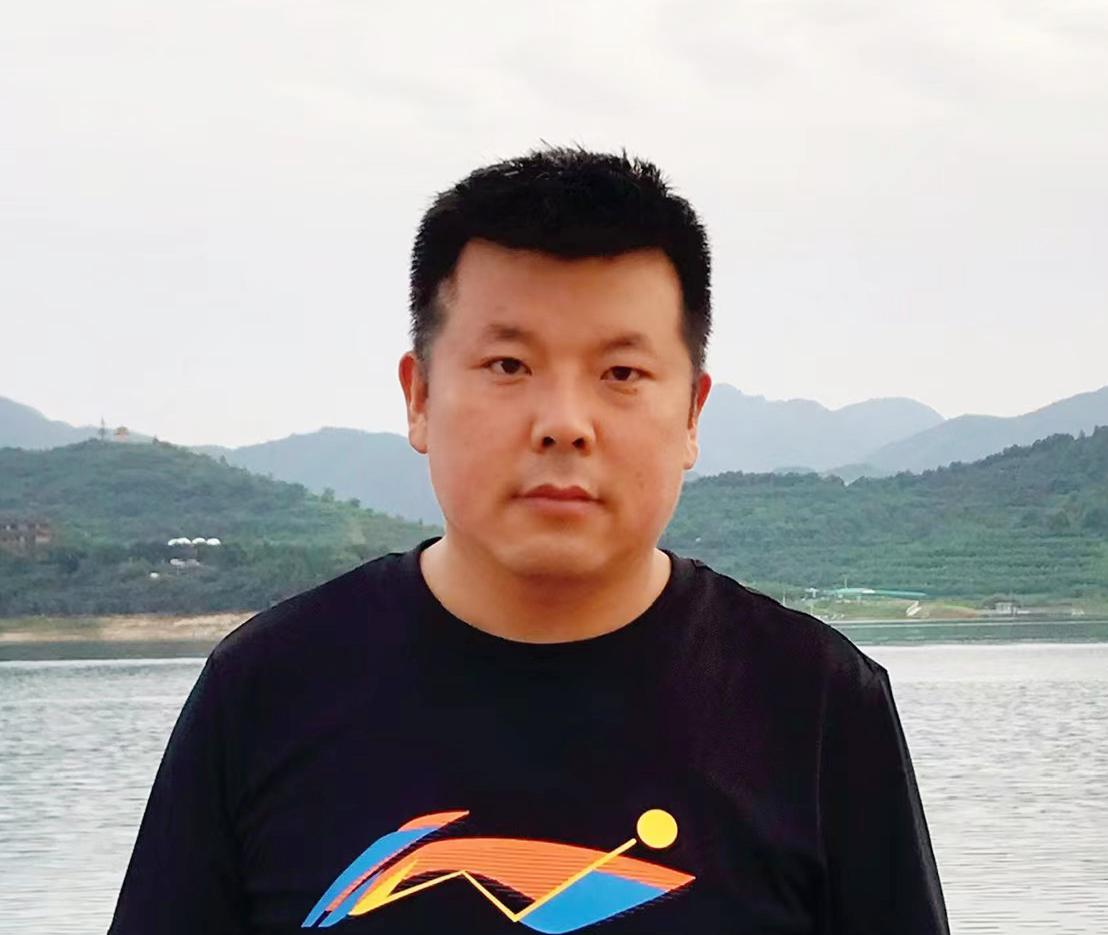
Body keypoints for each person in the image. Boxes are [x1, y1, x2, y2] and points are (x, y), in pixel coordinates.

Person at [108, 146, 950, 934]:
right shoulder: (264, 691)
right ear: (419, 396)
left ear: (692, 413)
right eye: (510, 365)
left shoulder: (817, 705)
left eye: (621, 373)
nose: (564, 423)